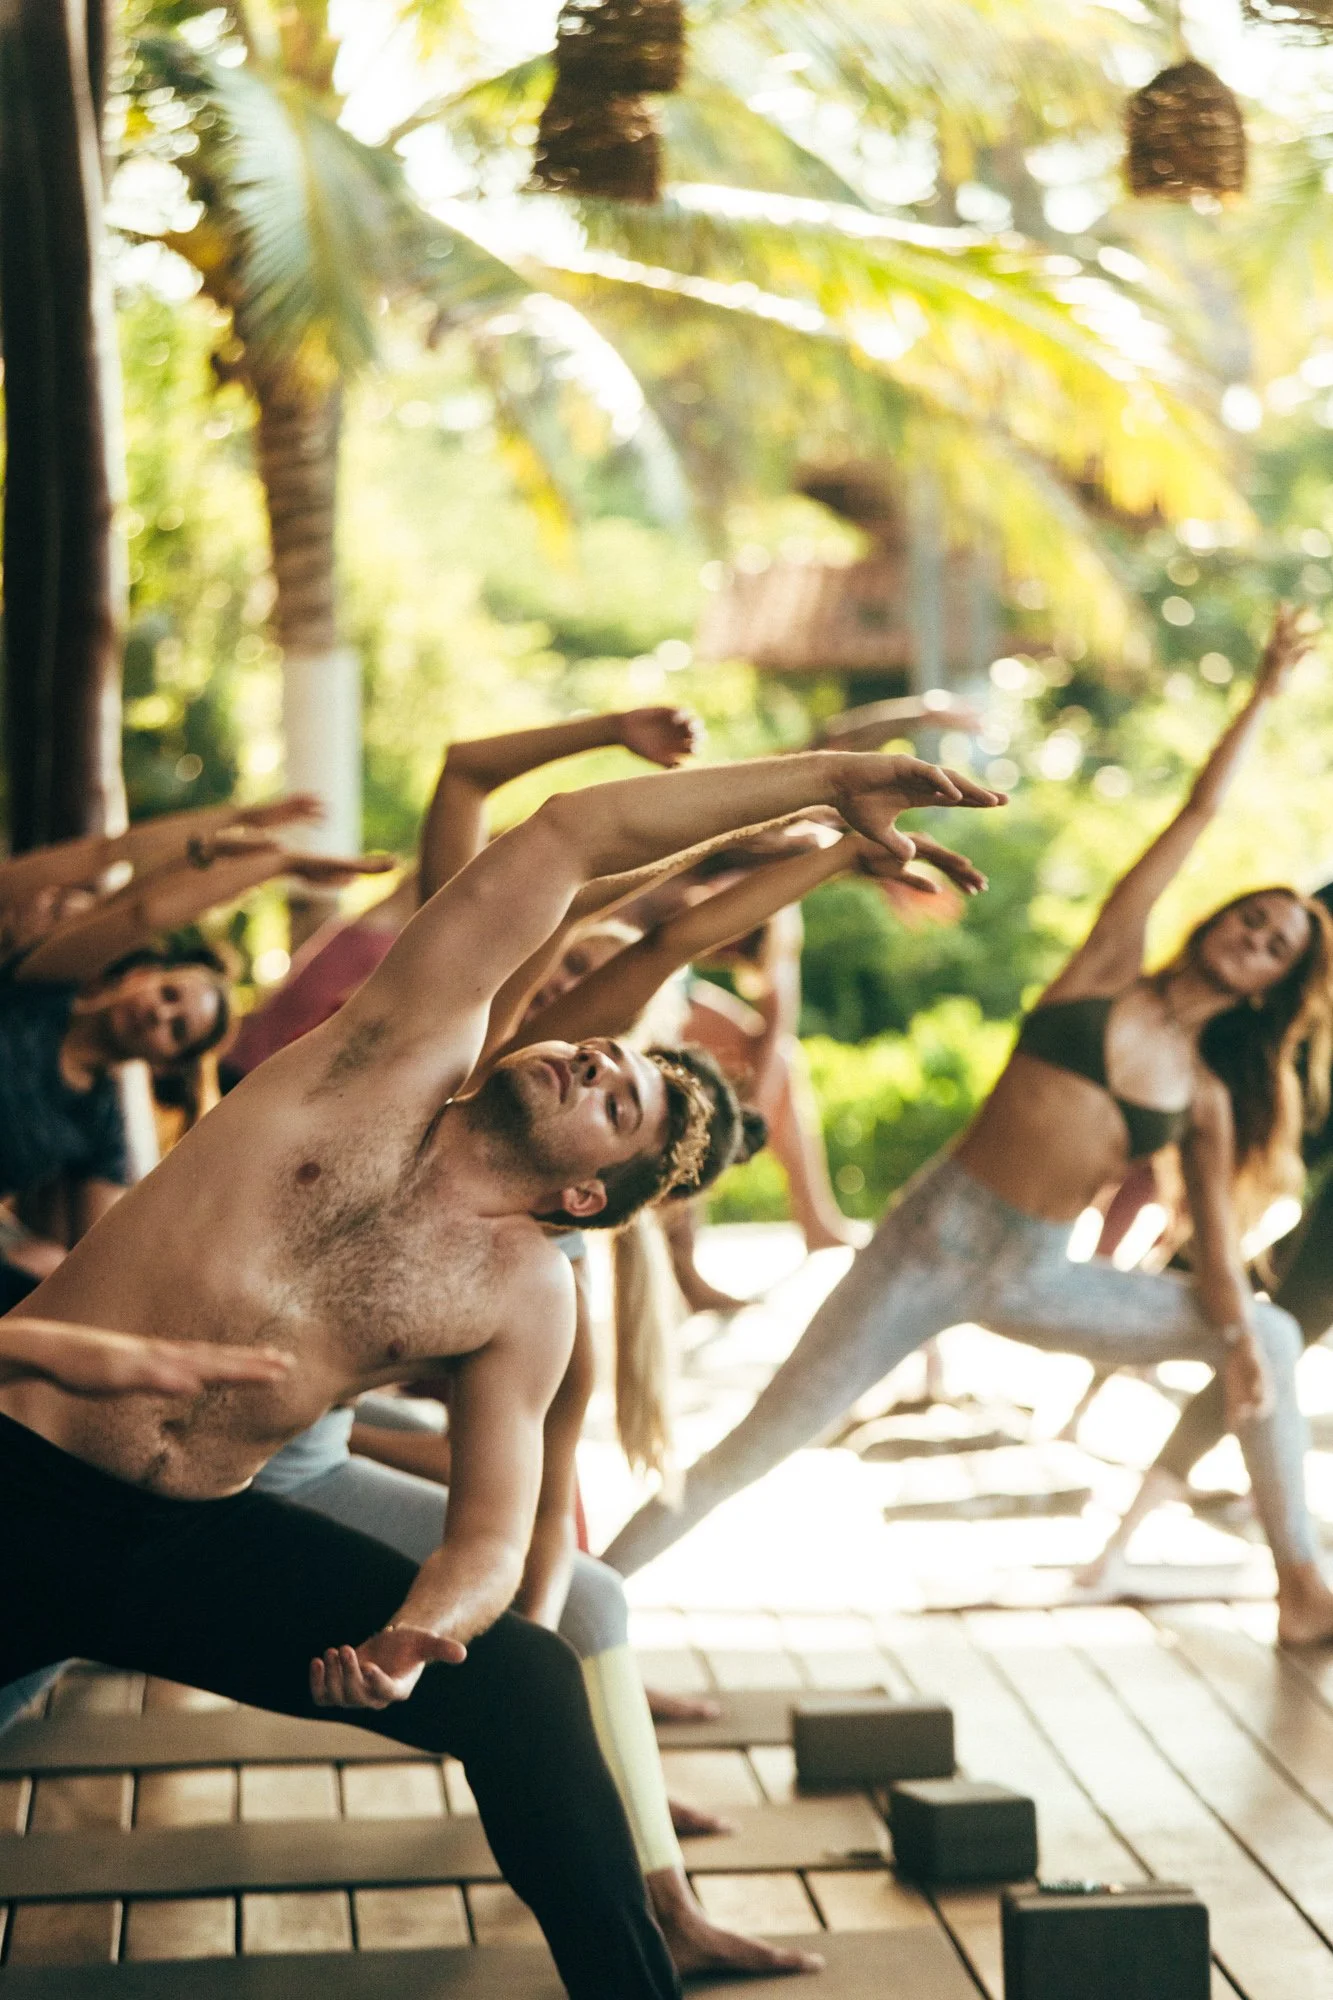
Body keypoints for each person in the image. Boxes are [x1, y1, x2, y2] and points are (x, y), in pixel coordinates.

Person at [0, 746, 999, 1999]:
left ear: (585, 1192)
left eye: (618, 1095)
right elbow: (572, 835)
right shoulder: (380, 1059)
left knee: (524, 1677)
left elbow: (491, 1533)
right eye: (601, 1051)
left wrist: (426, 1633)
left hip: (180, 1535)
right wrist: (826, 783)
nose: (593, 1058)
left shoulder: (526, 1294)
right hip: (16, 1470)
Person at [603, 610, 1333, 1650]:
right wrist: (1262, 691)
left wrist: (1241, 1350)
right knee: (759, 1442)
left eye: (1275, 945)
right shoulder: (1104, 974)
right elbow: (1195, 813)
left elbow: (1216, 1249)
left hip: (1038, 1273)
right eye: (1250, 917)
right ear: (1217, 922)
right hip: (930, 1240)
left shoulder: (1207, 1098)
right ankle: (578, 1596)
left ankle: (1299, 1584)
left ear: (1272, 986)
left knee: (1262, 1325)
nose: (1254, 936)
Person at [0, 836, 391, 1311]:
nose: (159, 1016)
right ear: (143, 976)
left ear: (166, 1062)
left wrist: (39, 1259)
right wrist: (276, 865)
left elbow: (97, 1264)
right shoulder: (45, 984)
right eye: (168, 996)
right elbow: (143, 913)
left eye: (177, 1029)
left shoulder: (100, 1127)